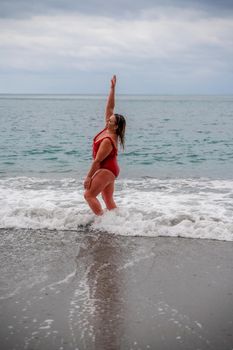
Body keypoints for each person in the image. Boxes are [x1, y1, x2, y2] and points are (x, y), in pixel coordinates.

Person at [84, 75, 126, 216]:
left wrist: (89, 177)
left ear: (115, 126)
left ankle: (101, 222)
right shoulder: (108, 129)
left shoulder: (108, 139)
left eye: (111, 121)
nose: (108, 120)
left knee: (89, 195)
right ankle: (118, 221)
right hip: (111, 169)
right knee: (107, 198)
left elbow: (97, 161)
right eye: (109, 119)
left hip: (107, 169)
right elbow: (110, 107)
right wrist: (112, 89)